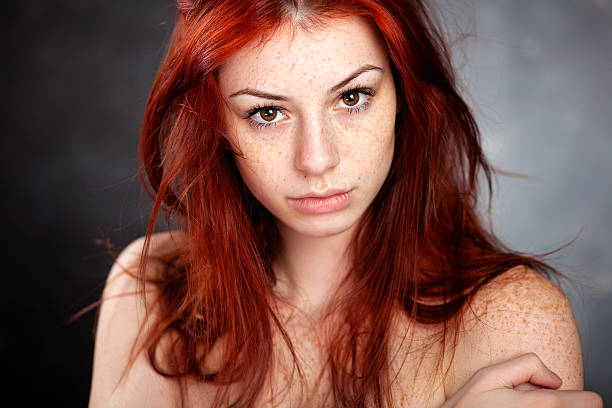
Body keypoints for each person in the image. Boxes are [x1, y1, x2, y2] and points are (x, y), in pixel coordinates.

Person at [89, 1, 603, 407]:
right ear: (215, 124)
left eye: (352, 97)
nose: (317, 159)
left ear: (405, 95)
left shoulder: (512, 320)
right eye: (268, 112)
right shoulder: (149, 290)